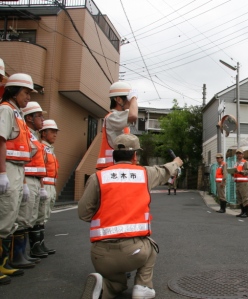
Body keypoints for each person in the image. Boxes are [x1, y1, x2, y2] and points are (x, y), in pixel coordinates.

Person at [79, 134, 183, 299]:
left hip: (100, 255)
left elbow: (84, 213)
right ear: (135, 155)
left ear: (114, 154)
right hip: (134, 252)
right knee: (152, 248)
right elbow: (164, 171)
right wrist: (176, 163)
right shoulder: (144, 174)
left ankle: (103, 288)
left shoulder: (97, 177)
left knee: (116, 283)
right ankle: (142, 287)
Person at [0, 73, 36, 284]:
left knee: (10, 217)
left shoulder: (17, 113)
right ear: (14, 91)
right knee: (3, 215)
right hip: (8, 168)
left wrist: (22, 182)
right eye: (25, 92)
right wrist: (2, 172)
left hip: (18, 169)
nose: (28, 97)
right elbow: (1, 141)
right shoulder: (6, 109)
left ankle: (4, 262)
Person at [10, 102, 48, 269]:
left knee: (29, 218)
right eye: (39, 115)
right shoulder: (26, 133)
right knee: (20, 217)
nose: (43, 119)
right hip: (25, 177)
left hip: (33, 179)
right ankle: (16, 256)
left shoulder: (34, 136)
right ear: (30, 118)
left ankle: (22, 253)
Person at [96, 81, 138, 170]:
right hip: (113, 167)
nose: (131, 102)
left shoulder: (120, 117)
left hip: (117, 168)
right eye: (128, 98)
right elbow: (133, 115)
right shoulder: (112, 117)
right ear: (118, 100)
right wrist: (134, 97)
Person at [37, 120, 59, 256]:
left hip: (51, 186)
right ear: (43, 133)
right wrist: (41, 187)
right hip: (44, 186)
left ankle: (40, 245)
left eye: (56, 132)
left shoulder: (50, 149)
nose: (55, 134)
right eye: (52, 131)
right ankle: (37, 246)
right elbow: (39, 168)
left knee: (44, 216)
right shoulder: (42, 148)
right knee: (39, 216)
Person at [233, 148, 248, 218]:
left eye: (240, 153)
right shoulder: (236, 163)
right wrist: (232, 173)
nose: (238, 155)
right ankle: (242, 212)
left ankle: (246, 213)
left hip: (244, 182)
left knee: (245, 198)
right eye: (237, 153)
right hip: (237, 182)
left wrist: (240, 172)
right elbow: (235, 172)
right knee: (239, 198)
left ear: (243, 155)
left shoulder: (245, 162)